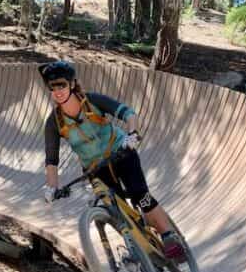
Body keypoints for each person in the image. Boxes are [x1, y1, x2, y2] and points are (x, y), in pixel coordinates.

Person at [39, 60, 185, 261]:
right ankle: (137, 249)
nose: (57, 91)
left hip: (121, 153)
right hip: (94, 168)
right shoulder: (53, 122)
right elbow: (51, 160)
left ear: (72, 84)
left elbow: (128, 113)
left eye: (61, 85)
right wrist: (51, 187)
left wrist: (132, 134)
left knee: (139, 194)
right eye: (52, 87)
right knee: (114, 211)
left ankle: (169, 236)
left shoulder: (91, 101)